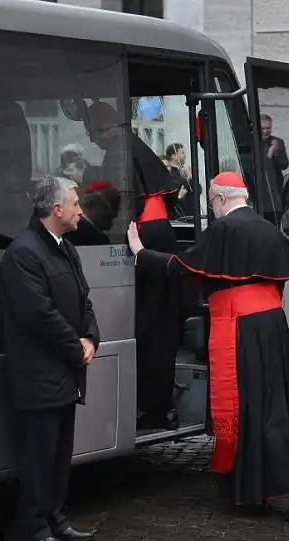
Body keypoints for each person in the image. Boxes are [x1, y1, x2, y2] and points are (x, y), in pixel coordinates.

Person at [126, 171, 289, 519]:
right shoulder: (267, 227)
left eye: (211, 204)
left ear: (219, 200)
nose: (212, 210)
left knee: (251, 408)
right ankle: (254, 489)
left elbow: (183, 267)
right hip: (270, 326)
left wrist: (141, 252)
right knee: (265, 405)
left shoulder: (225, 229)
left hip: (242, 328)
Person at [0, 176, 100, 541]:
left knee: (59, 457)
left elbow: (84, 299)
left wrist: (90, 337)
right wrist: (77, 349)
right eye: (75, 204)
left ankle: (56, 519)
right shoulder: (23, 254)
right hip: (39, 375)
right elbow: (38, 315)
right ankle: (36, 527)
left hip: (64, 373)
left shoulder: (66, 249)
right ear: (57, 209)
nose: (80, 210)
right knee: (38, 457)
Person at [87, 100, 186, 431]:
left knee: (149, 327)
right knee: (158, 325)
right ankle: (157, 402)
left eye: (92, 129)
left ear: (103, 126)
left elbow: (116, 206)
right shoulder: (133, 143)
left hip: (145, 239)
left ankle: (154, 405)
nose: (91, 136)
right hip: (159, 234)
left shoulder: (116, 149)